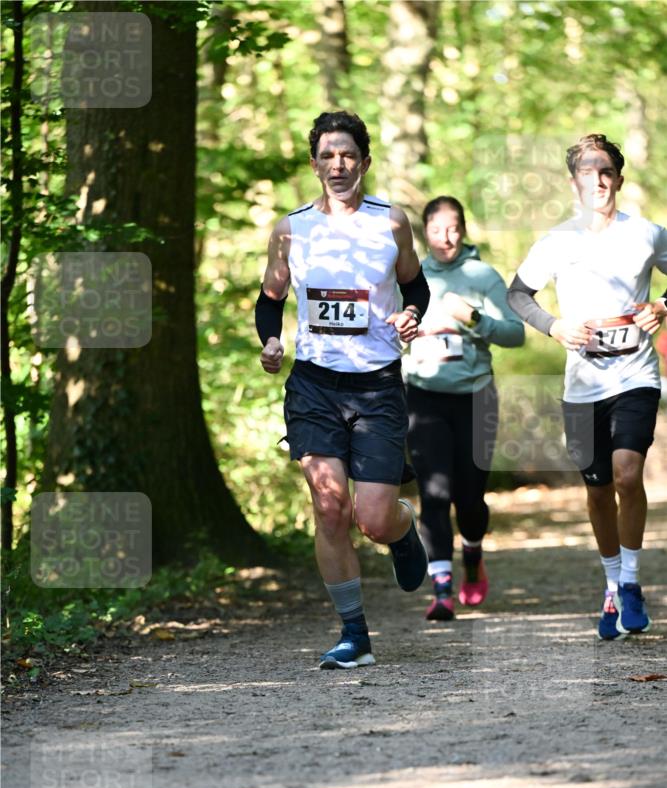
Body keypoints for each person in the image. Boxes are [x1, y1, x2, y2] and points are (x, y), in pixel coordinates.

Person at [256, 110, 430, 668]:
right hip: (313, 383)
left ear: (364, 162)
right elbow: (270, 299)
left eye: (348, 155)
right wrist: (270, 342)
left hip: (377, 385)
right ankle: (354, 633)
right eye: (328, 155)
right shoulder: (291, 229)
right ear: (314, 164)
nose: (338, 165)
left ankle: (402, 531)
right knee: (329, 507)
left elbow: (415, 287)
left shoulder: (392, 222)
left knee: (371, 519)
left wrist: (411, 316)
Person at [508, 133, 667, 639]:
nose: (598, 180)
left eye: (606, 172)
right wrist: (554, 327)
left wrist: (664, 306)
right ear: (573, 180)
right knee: (597, 491)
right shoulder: (557, 241)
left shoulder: (647, 234)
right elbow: (518, 294)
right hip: (582, 386)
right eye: (587, 172)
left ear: (619, 178)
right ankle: (612, 585)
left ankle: (633, 584)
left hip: (636, 374)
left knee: (626, 473)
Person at [404, 196, 524, 621]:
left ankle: (472, 553)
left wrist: (473, 320)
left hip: (475, 396)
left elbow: (515, 335)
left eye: (453, 228)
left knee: (470, 498)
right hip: (423, 395)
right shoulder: (410, 275)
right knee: (433, 494)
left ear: (464, 229)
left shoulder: (482, 275)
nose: (445, 238)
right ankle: (441, 590)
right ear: (425, 232)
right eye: (436, 229)